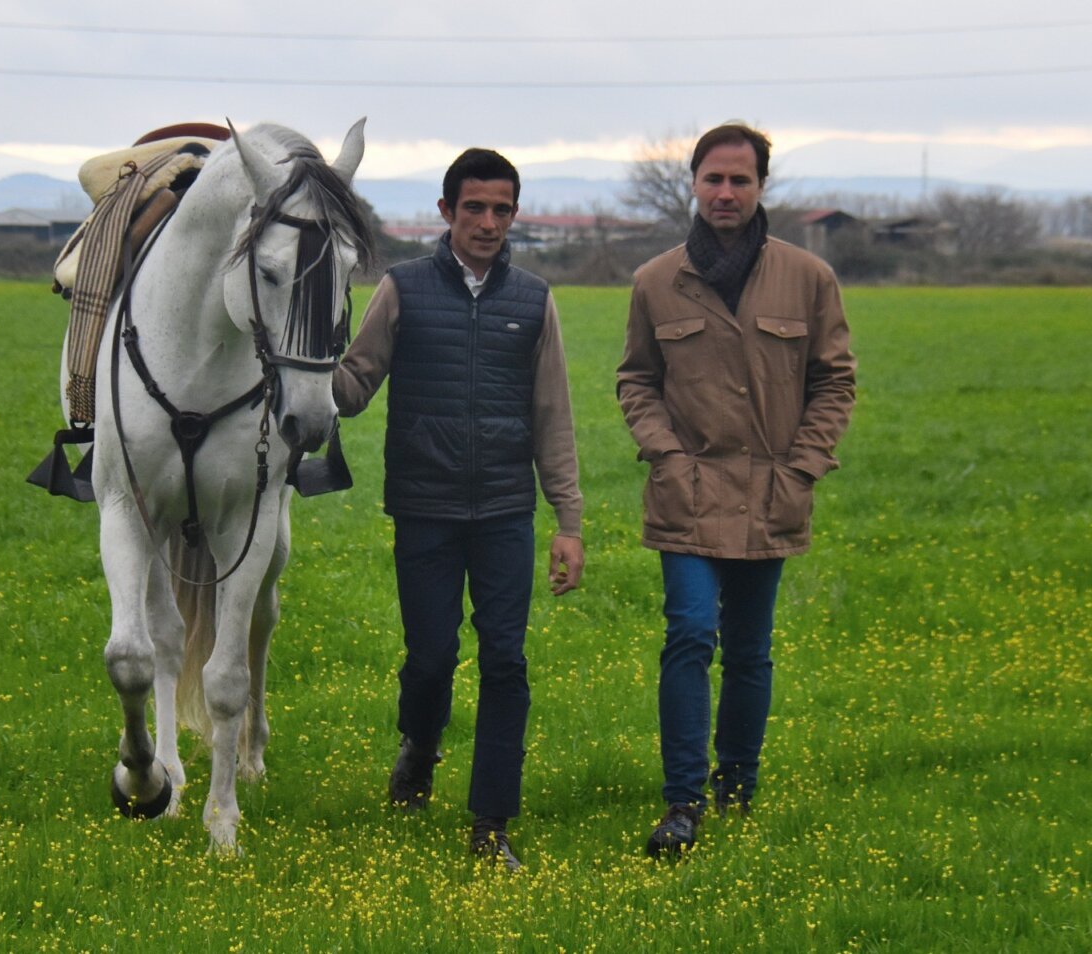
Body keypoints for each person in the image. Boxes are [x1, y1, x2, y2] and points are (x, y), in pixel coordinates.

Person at [333, 147, 584, 871]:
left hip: (505, 510)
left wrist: (567, 523)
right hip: (426, 508)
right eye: (474, 207)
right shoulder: (404, 288)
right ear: (446, 212)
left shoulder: (533, 301)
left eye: (502, 209)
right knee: (433, 656)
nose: (488, 222)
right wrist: (301, 378)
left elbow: (553, 418)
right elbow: (355, 383)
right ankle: (419, 743)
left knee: (506, 660)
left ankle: (492, 823)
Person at [616, 123, 856, 858]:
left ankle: (738, 788)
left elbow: (835, 380)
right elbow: (636, 380)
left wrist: (803, 467)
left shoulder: (807, 279)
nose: (726, 193)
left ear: (761, 188)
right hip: (686, 493)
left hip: (771, 493)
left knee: (750, 650)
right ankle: (683, 802)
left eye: (740, 181)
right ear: (692, 182)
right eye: (713, 179)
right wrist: (665, 455)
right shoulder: (656, 281)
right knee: (689, 634)